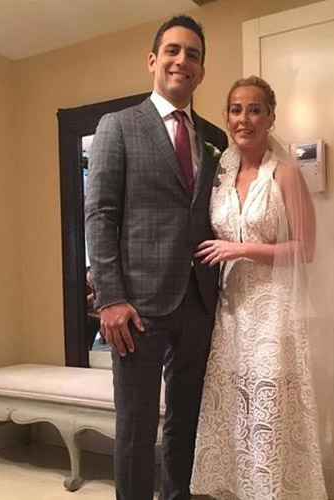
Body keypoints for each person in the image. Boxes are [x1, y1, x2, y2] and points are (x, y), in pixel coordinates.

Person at [191, 76, 334, 500]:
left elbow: (306, 249)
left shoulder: (285, 174)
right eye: (235, 110)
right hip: (230, 311)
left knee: (269, 409)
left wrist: (240, 249)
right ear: (227, 116)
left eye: (254, 109)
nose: (244, 119)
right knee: (234, 408)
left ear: (270, 117)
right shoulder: (220, 174)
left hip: (273, 313)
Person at [85, 15, 228, 500]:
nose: (182, 60)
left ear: (201, 71)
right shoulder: (118, 126)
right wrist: (110, 299)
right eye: (173, 50)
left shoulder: (215, 137)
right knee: (136, 425)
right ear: (153, 60)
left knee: (187, 421)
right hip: (136, 307)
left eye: (193, 55)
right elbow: (100, 214)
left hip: (200, 302)